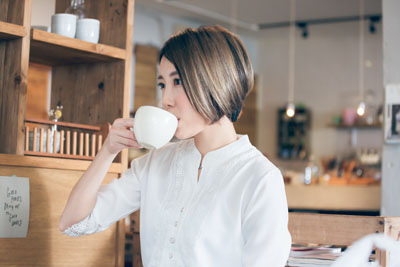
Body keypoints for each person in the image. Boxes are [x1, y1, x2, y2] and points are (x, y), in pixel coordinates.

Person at [59, 25, 291, 267]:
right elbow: (73, 223)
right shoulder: (155, 162)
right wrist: (108, 151)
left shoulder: (260, 179)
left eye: (177, 81)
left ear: (214, 82)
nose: (166, 100)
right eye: (162, 84)